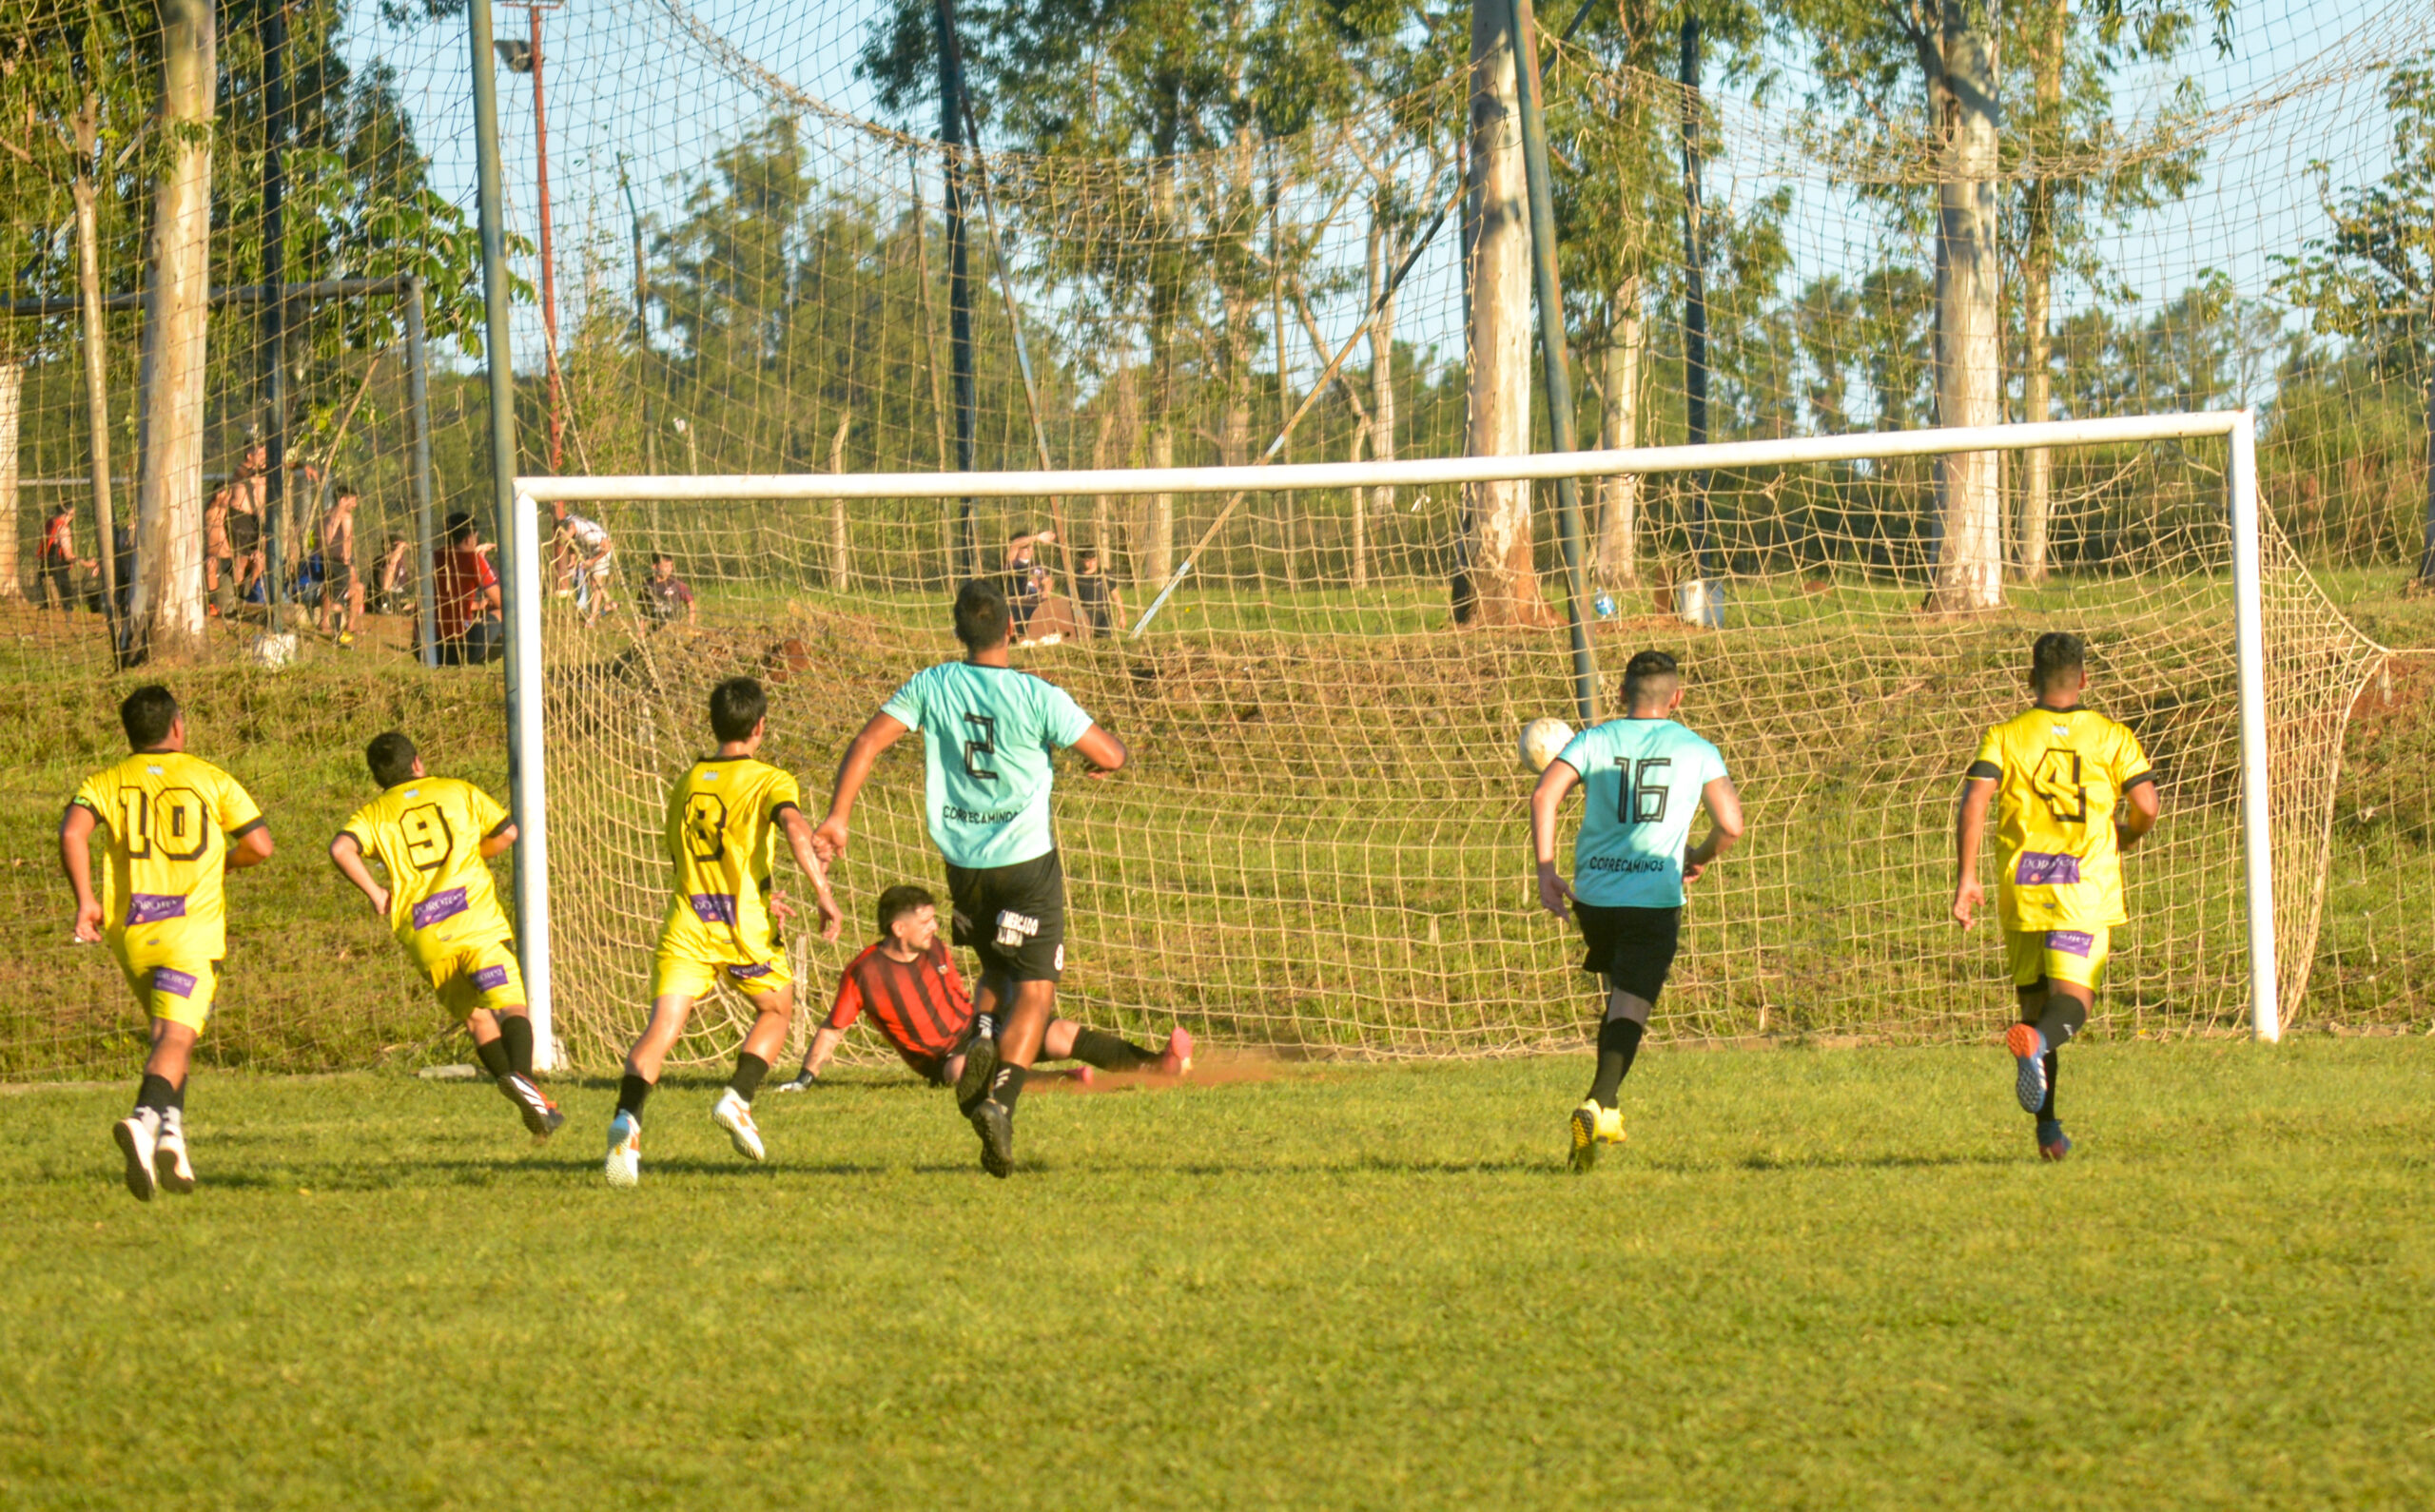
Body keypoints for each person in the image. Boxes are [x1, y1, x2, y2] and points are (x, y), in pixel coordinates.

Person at [815, 578, 1131, 1177]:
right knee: (1035, 990)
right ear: (1012, 629)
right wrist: (1108, 762)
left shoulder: (931, 684)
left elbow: (867, 741)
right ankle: (1000, 1102)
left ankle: (982, 1033)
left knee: (994, 967)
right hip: (1027, 863)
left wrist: (838, 817)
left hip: (965, 866)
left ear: (958, 632)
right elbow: (1109, 753)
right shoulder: (1037, 693)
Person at [603, 676, 844, 1188]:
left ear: (714, 724)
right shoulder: (769, 779)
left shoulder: (687, 781)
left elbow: (685, 857)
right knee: (777, 1009)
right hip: (742, 928)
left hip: (688, 922)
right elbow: (795, 828)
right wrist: (822, 892)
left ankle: (627, 1119)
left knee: (660, 1030)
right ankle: (737, 1098)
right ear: (760, 727)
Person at [1529, 649, 1743, 1173]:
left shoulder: (1594, 739)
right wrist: (1700, 856)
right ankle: (1596, 1103)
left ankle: (1609, 1112)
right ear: (1677, 698)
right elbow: (1731, 825)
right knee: (1631, 1007)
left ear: (1622, 693)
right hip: (1652, 899)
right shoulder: (1697, 749)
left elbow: (1544, 797)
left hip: (1595, 899)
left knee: (1619, 995)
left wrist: (1546, 869)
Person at [59, 686, 275, 1201]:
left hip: (133, 933)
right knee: (177, 1038)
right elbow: (260, 846)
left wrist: (86, 900)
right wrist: (221, 864)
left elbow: (72, 833)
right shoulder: (210, 777)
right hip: (190, 935)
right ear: (177, 726)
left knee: (166, 1036)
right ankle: (144, 1120)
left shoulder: (105, 781)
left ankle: (172, 1137)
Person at [1952, 631, 2158, 1162]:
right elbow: (2147, 805)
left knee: (2035, 1008)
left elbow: (1974, 802)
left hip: (2022, 889)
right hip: (2081, 890)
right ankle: (2041, 1045)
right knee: (2072, 1004)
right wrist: (2128, 835)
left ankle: (2048, 1132)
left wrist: (1966, 877)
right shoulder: (2112, 737)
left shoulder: (2005, 735)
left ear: (2031, 679)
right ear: (2084, 679)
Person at [329, 732, 562, 1141]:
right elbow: (508, 833)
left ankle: (524, 1095)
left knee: (476, 1018)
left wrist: (377, 894)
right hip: (477, 925)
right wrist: (473, 852)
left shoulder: (373, 814)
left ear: (378, 778)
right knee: (510, 1007)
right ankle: (528, 1088)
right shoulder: (457, 791)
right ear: (417, 763)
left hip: (427, 936)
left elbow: (340, 849)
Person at [775, 882, 1188, 1092]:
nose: (934, 927)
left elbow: (965, 995)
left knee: (1061, 1031)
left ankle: (1156, 1065)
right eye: (925, 921)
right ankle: (1064, 1082)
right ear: (898, 929)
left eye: (934, 919)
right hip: (946, 1058)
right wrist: (805, 1078)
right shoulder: (864, 973)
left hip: (980, 1030)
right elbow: (833, 1029)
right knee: (963, 1071)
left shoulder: (936, 949)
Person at [434, 513, 504, 665]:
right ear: (469, 538)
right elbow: (502, 603)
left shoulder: (433, 557)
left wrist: (478, 605)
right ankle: (494, 658)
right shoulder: (473, 560)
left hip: (425, 647)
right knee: (508, 612)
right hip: (458, 648)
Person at [550, 502, 616, 626]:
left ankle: (592, 619)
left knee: (595, 583)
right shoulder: (568, 523)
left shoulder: (590, 536)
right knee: (589, 580)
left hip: (601, 552)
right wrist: (572, 559)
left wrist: (592, 561)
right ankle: (610, 604)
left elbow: (607, 547)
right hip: (589, 550)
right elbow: (571, 542)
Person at [318, 486, 364, 644]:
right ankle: (338, 637)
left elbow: (318, 538)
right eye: (353, 501)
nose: (355, 505)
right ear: (343, 500)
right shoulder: (345, 516)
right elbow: (347, 539)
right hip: (339, 562)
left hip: (323, 559)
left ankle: (328, 624)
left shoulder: (325, 514)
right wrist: (346, 560)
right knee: (338, 598)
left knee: (331, 590)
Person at [1003, 526, 1053, 639]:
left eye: (1031, 547)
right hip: (1017, 605)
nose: (1030, 549)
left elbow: (1048, 582)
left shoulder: (1038, 566)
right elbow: (1015, 544)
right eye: (1026, 547)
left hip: (1035, 606)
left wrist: (1045, 592)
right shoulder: (1012, 563)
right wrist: (1037, 537)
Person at [38, 500, 84, 611]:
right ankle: (67, 610)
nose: (72, 518)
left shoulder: (49, 523)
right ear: (68, 513)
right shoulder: (64, 529)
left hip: (45, 565)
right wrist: (86, 563)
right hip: (57, 565)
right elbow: (68, 556)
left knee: (49, 600)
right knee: (65, 596)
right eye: (72, 514)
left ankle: (50, 606)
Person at [1072, 546, 1123, 639]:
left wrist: (1122, 615)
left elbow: (1116, 595)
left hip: (1103, 615)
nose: (1092, 564)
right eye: (1088, 561)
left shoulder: (1104, 574)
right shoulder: (1075, 576)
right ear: (1081, 560)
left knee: (1105, 641)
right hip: (1085, 615)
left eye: (1094, 560)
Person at [641, 552, 696, 630]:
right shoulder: (648, 584)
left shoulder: (677, 583)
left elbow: (691, 605)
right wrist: (641, 630)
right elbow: (643, 609)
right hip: (654, 628)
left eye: (671, 566)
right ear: (655, 567)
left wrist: (690, 626)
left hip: (675, 628)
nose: (669, 569)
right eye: (665, 566)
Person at [373, 534, 415, 615]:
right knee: (390, 568)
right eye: (397, 546)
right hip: (381, 601)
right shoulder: (381, 560)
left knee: (417, 607)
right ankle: (385, 603)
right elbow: (392, 562)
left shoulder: (402, 563)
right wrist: (399, 547)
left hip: (398, 600)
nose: (401, 550)